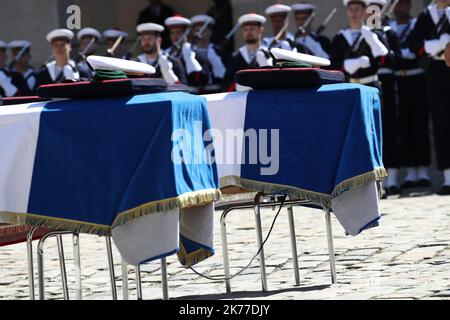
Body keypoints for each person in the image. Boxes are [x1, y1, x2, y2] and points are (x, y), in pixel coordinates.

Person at [389, 0, 432, 189]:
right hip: (397, 78)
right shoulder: (387, 27)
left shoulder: (417, 24)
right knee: (402, 125)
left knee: (419, 123)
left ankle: (422, 171)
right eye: (398, 4)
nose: (402, 8)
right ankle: (408, 172)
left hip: (416, 77)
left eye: (405, 4)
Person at [409, 0, 450, 195]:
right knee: (441, 121)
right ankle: (448, 176)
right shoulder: (426, 16)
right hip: (437, 71)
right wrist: (435, 45)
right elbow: (414, 43)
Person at [366, 0, 404, 196]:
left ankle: (394, 178)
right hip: (366, 83)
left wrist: (379, 41)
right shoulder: (360, 34)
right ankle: (374, 181)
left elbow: (395, 60)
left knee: (389, 128)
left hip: (387, 83)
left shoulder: (388, 33)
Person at [223, 13, 272, 91]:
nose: (248, 32)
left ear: (261, 29)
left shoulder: (270, 54)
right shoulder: (236, 57)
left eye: (252, 29)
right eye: (245, 29)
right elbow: (227, 83)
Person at [190, 14, 227, 93]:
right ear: (193, 32)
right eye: (197, 30)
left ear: (210, 32)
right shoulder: (189, 52)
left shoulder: (219, 52)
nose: (200, 34)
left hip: (216, 92)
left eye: (203, 30)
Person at [164, 15, 202, 86]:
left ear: (186, 34)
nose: (175, 36)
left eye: (178, 32)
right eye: (172, 33)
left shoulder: (194, 51)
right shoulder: (165, 53)